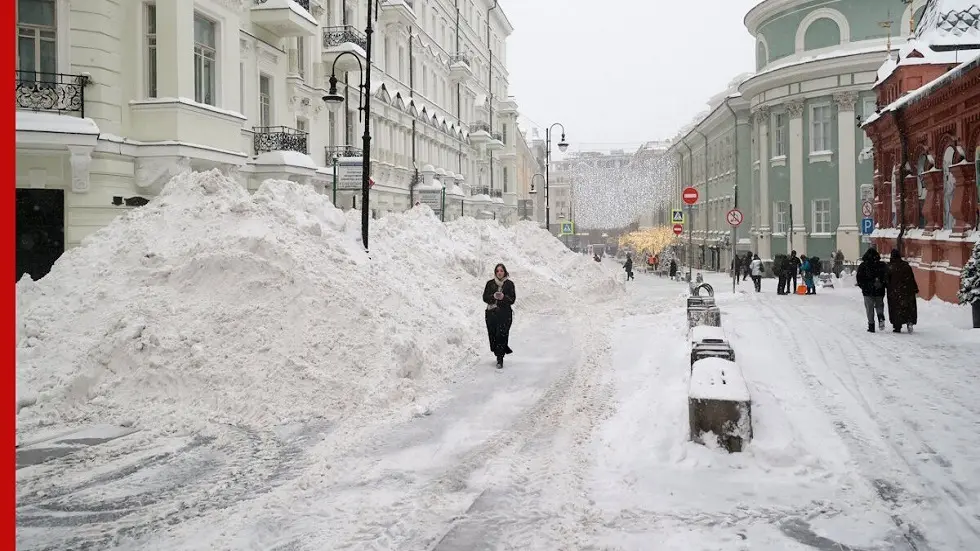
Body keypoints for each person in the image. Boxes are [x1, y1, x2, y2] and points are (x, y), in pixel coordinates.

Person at [483, 263, 516, 369]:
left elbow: (512, 299)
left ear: (505, 272)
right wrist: (493, 296)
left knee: (501, 335)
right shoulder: (490, 283)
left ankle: (500, 358)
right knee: (493, 336)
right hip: (491, 314)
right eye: (497, 271)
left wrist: (503, 297)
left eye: (501, 271)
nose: (499, 273)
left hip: (505, 315)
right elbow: (485, 298)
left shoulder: (509, 284)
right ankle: (498, 350)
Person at [856, 248, 888, 332]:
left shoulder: (863, 266)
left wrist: (863, 287)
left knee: (869, 308)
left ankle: (871, 325)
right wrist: (882, 284)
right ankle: (880, 316)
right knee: (879, 305)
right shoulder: (882, 265)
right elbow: (886, 276)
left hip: (867, 291)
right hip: (879, 290)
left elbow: (859, 278)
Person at [886, 249, 918, 333]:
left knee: (895, 308)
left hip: (894, 292)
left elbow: (887, 280)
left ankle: (897, 326)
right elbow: (911, 278)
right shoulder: (906, 266)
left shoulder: (890, 267)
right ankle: (909, 321)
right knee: (908, 307)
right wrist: (914, 288)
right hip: (907, 290)